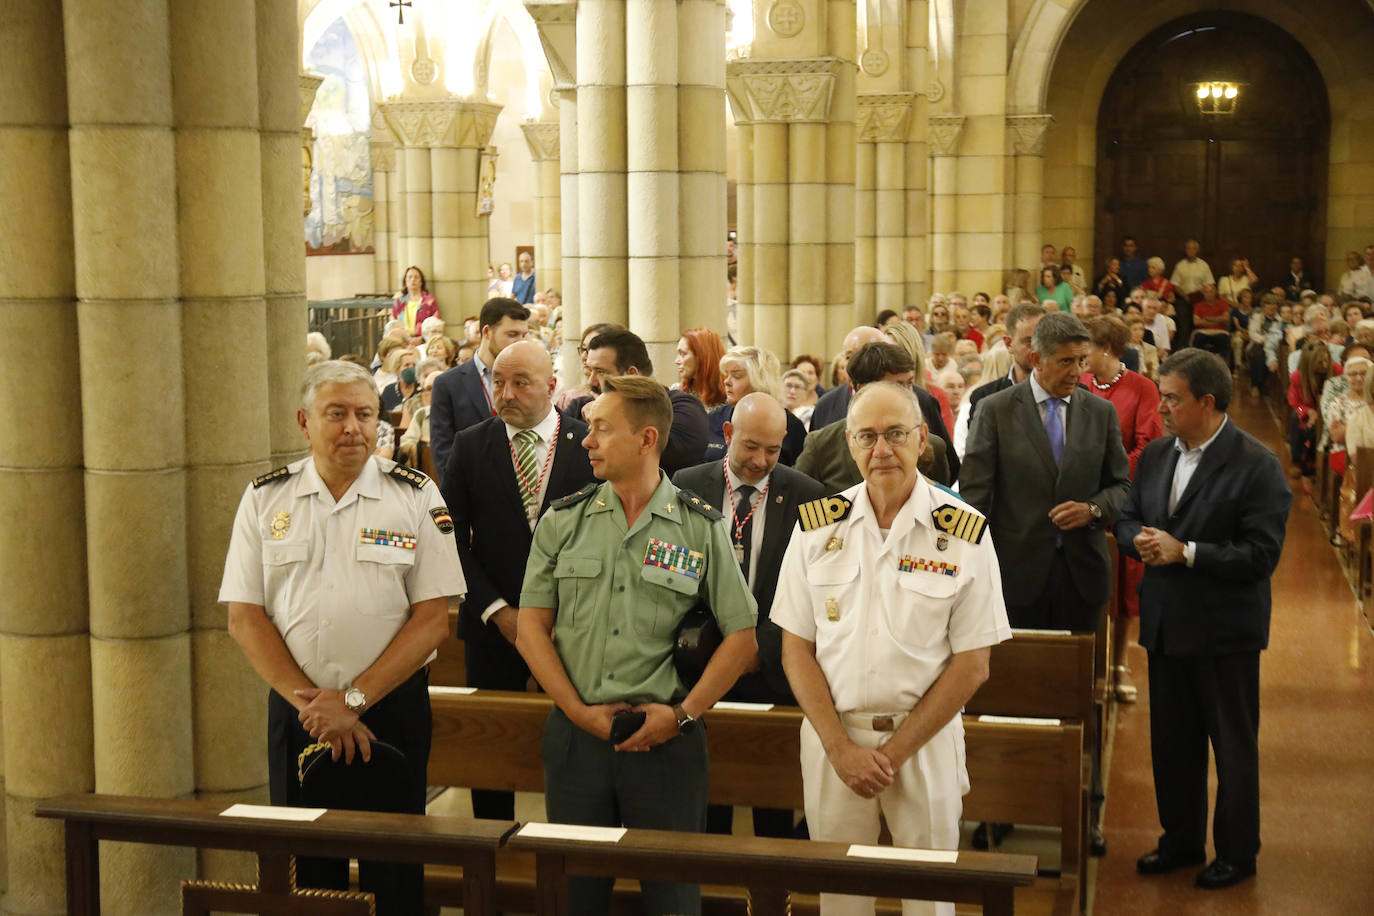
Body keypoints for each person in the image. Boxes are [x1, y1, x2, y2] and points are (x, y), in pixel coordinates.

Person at [219, 360, 465, 915]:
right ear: (305, 422)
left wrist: (352, 701)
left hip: (391, 709)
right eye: (337, 414)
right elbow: (245, 617)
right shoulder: (265, 499)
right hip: (299, 714)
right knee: (306, 871)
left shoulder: (415, 495)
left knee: (395, 867)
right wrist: (318, 707)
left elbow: (431, 619)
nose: (353, 427)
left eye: (365, 414)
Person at [515, 375, 758, 916]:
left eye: (602, 428)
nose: (586, 439)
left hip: (668, 746)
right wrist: (577, 711)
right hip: (578, 742)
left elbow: (742, 638)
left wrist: (683, 715)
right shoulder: (564, 520)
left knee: (673, 899)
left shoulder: (699, 527)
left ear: (647, 439)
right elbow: (530, 629)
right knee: (576, 897)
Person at [774, 381, 1012, 916]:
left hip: (923, 745)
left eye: (896, 434)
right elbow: (796, 650)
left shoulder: (965, 533)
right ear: (850, 445)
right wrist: (839, 748)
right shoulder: (818, 527)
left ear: (922, 440)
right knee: (841, 901)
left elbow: (973, 665)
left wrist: (892, 754)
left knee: (930, 902)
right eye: (867, 436)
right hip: (835, 742)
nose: (882, 449)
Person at [1117, 349, 1291, 891]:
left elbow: (1260, 556)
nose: (1161, 407)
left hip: (1224, 632)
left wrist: (1187, 551)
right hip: (1168, 624)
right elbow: (1129, 516)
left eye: (1171, 398)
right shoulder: (1157, 456)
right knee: (1172, 744)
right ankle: (1181, 840)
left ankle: (1238, 853)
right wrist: (1139, 540)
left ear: (1207, 402)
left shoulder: (1256, 465)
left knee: (1231, 746)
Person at [959, 311, 1131, 855]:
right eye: (1066, 362)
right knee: (1010, 699)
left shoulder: (1099, 414)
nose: (1078, 371)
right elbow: (975, 502)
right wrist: (970, 584)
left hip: (1080, 579)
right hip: (1015, 581)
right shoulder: (995, 411)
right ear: (1036, 358)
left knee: (1083, 701)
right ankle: (1002, 810)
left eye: (1083, 361)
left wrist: (1093, 509)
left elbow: (1122, 487)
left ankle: (1088, 812)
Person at [440, 340, 595, 820]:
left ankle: (573, 840)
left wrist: (560, 613)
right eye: (498, 382)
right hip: (492, 626)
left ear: (551, 385)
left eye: (520, 383)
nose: (505, 393)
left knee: (575, 746)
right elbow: (449, 540)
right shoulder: (471, 445)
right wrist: (497, 611)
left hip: (573, 628)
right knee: (492, 748)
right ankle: (492, 843)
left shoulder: (587, 443)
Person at [673, 393, 827, 838]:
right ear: (727, 435)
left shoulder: (808, 496)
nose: (761, 460)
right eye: (750, 447)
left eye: (773, 450)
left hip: (770, 667)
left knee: (770, 799)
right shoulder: (686, 483)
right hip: (698, 663)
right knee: (708, 800)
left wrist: (760, 647)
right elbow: (671, 572)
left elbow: (815, 592)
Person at [1081, 316, 1163, 703]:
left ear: (1108, 351)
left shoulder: (1143, 388)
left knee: (1125, 582)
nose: (1081, 357)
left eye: (1088, 350)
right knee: (1087, 582)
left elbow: (1148, 443)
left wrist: (1111, 479)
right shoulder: (1079, 384)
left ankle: (1119, 664)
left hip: (1127, 497)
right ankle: (1090, 662)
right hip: (1080, 497)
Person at [573, 328, 710, 474]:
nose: (592, 381)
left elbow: (658, 454)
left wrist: (605, 416)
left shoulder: (684, 408)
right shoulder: (578, 407)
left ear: (631, 374)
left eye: (601, 372)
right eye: (590, 370)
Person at [429, 297, 530, 478]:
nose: (521, 343)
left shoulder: (530, 381)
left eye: (524, 335)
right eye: (512, 335)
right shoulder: (448, 384)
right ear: (487, 332)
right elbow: (443, 453)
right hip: (471, 489)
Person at [705, 346, 808, 466]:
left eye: (736, 376)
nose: (726, 381)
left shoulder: (790, 425)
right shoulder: (714, 419)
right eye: (726, 375)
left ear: (760, 380)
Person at [964, 302, 1047, 422]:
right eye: (1029, 341)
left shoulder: (1074, 396)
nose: (1038, 349)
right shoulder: (985, 397)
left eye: (1044, 340)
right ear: (1009, 344)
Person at [810, 326, 887, 429]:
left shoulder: (906, 399)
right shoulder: (826, 405)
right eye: (849, 357)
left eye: (866, 356)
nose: (856, 363)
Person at [1288, 338, 1340, 480]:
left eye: (1326, 360)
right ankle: (1297, 460)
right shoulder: (1297, 377)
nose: (1324, 365)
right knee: (1294, 417)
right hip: (1307, 411)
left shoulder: (1336, 370)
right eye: (1319, 363)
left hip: (1331, 411)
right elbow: (1294, 402)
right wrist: (1308, 412)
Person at [675, 327, 728, 409]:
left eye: (683, 354)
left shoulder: (729, 399)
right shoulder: (676, 393)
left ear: (701, 357)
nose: (677, 361)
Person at [1189, 283, 1232, 363]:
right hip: (1203, 332)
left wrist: (1208, 319)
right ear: (1203, 293)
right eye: (1206, 292)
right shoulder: (1198, 305)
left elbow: (1226, 319)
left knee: (1224, 340)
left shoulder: (1223, 303)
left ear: (1215, 292)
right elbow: (1196, 322)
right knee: (1198, 339)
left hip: (1220, 332)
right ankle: (1198, 364)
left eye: (1211, 292)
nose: (1209, 294)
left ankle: (1223, 366)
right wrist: (1218, 320)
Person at [392, 266, 438, 341]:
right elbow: (393, 323)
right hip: (401, 341)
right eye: (409, 277)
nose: (413, 280)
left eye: (416, 277)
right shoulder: (399, 302)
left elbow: (435, 324)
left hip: (423, 341)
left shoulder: (429, 301)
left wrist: (421, 339)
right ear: (405, 281)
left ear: (421, 282)